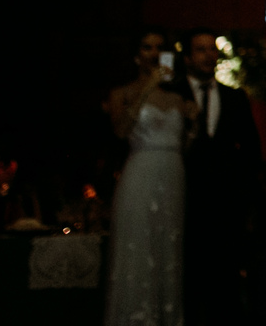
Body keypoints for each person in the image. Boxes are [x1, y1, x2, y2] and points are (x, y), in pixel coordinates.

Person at [103, 42, 197, 326]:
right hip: (141, 170)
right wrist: (147, 89)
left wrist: (193, 126)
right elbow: (121, 131)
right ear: (136, 56)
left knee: (169, 247)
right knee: (137, 246)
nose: (154, 53)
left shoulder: (178, 98)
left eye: (159, 48)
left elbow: (184, 148)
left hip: (173, 174)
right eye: (147, 47)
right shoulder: (122, 93)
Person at [182, 28, 262, 326]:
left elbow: (251, 149)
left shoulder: (234, 97)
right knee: (187, 277)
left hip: (225, 205)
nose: (208, 56)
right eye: (200, 49)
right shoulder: (174, 94)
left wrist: (245, 198)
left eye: (211, 49)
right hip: (184, 199)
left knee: (224, 279)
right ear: (187, 57)